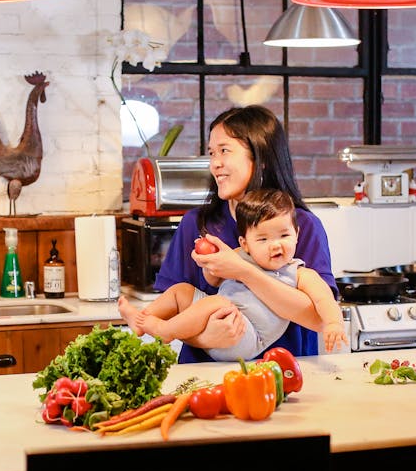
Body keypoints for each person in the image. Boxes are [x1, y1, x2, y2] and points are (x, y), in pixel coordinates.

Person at [153, 105, 343, 363]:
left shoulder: (302, 226)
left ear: (261, 157)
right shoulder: (197, 223)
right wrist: (206, 339)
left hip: (283, 374)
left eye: (224, 151)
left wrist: (242, 271)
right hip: (203, 375)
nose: (215, 163)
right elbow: (171, 312)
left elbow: (318, 318)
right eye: (212, 153)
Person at [120, 188, 345, 358]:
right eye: (263, 239)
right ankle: (144, 319)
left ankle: (165, 330)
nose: (275, 245)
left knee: (218, 303)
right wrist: (209, 264)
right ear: (245, 243)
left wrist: (334, 324)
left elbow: (325, 300)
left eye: (284, 236)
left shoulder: (299, 272)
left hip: (248, 336)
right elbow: (214, 279)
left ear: (297, 233)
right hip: (219, 323)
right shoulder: (240, 255)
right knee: (181, 292)